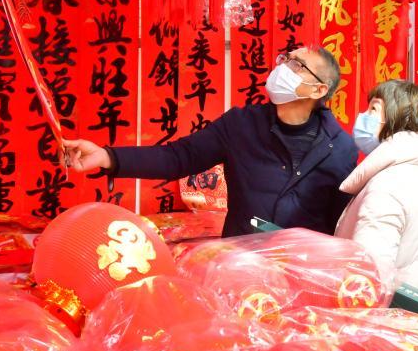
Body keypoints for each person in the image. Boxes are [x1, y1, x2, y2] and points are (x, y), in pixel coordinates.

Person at [63, 47, 358, 238]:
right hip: (241, 263)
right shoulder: (242, 124)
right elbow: (179, 157)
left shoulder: (341, 149)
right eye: (285, 59)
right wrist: (107, 157)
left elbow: (341, 223)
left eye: (297, 65)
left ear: (318, 90)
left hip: (303, 270)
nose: (283, 67)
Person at [334, 80, 418, 298]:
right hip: (413, 313)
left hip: (386, 316)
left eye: (373, 109)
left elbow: (366, 282)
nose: (363, 116)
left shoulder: (387, 186)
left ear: (396, 117)